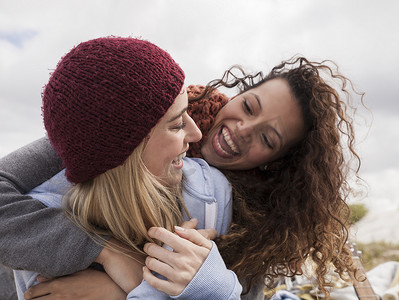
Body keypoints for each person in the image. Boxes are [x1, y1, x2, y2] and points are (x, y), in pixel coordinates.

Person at [0, 54, 363, 299]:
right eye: (249, 106)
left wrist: (123, 289)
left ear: (275, 161)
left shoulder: (260, 228)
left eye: (268, 138)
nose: (243, 129)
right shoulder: (139, 112)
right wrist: (104, 251)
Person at [5, 36, 241, 300]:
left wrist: (129, 291)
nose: (197, 134)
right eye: (176, 125)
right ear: (124, 153)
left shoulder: (213, 195)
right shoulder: (41, 236)